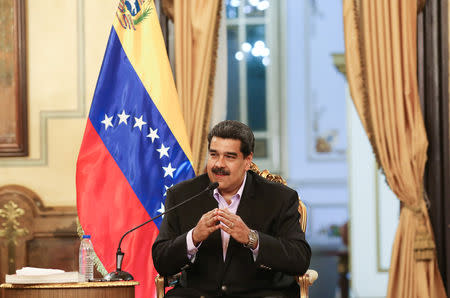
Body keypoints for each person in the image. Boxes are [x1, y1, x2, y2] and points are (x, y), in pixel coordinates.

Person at [152, 120, 311, 297]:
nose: (219, 164)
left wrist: (252, 239)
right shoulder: (182, 195)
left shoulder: (279, 197)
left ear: (247, 161)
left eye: (229, 156)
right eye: (214, 155)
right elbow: (161, 261)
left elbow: (299, 259)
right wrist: (194, 237)